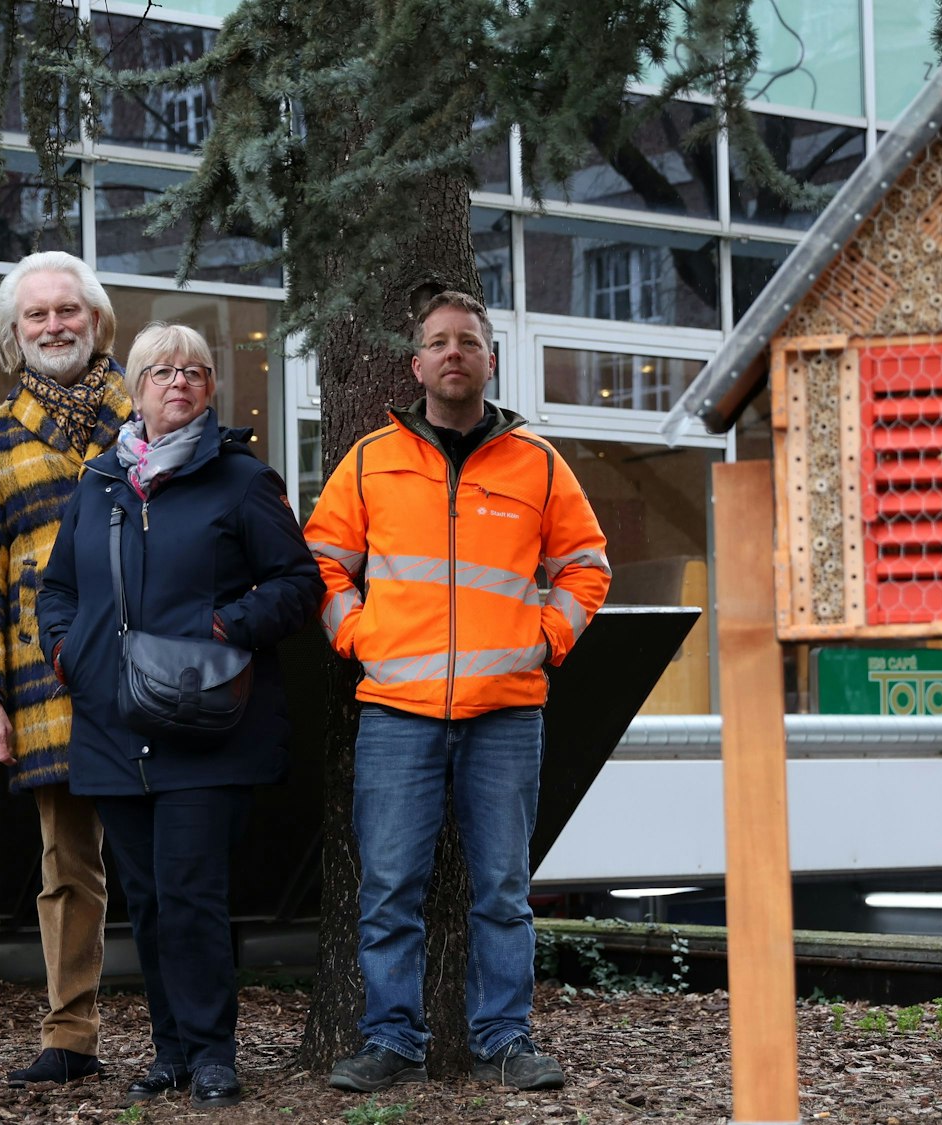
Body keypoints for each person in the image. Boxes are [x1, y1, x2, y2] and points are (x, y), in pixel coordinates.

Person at [303, 291, 611, 1093]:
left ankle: (504, 1040)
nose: (453, 353)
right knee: (388, 891)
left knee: (504, 891)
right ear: (416, 364)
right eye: (438, 342)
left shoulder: (538, 463)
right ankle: (392, 1039)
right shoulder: (371, 459)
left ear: (489, 361)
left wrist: (547, 638)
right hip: (396, 712)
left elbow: (586, 566)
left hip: (506, 712)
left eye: (468, 341)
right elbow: (322, 561)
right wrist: (358, 634)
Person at [37, 322, 322, 1109]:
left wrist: (223, 627)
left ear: (210, 388)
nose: (180, 382)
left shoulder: (241, 480)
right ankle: (170, 1052)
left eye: (195, 371)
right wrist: (66, 652)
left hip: (207, 725)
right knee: (149, 899)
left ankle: (212, 1052)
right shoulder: (99, 483)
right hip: (113, 725)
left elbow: (298, 582)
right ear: (136, 388)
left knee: (192, 892)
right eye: (163, 371)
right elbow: (58, 588)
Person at [0, 251, 133, 1087]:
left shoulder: (148, 414)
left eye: (69, 310)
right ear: (13, 333)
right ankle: (71, 1034)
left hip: (151, 670)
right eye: (38, 314)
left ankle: (187, 1032)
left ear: (97, 320)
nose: (55, 325)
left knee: (169, 860)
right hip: (46, 679)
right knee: (67, 867)